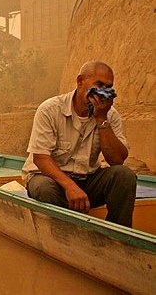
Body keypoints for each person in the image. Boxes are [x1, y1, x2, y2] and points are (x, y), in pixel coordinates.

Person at [22, 61, 137, 227]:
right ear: (80, 81)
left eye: (107, 87)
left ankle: (117, 239)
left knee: (124, 176)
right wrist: (70, 187)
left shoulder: (110, 115)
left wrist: (101, 119)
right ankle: (63, 239)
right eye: (98, 84)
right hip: (52, 180)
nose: (102, 91)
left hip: (87, 180)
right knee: (44, 188)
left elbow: (117, 160)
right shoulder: (49, 109)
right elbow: (40, 158)